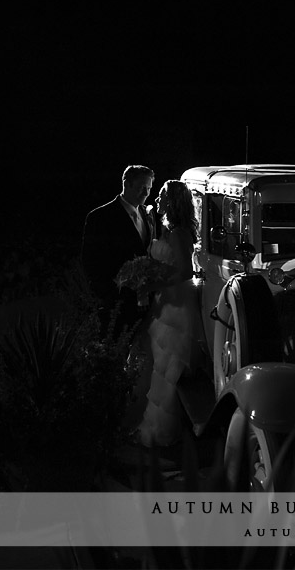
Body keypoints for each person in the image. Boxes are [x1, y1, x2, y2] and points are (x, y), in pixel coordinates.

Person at [135, 180, 212, 447]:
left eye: (162, 197)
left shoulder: (180, 234)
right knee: (161, 366)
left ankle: (167, 434)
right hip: (166, 301)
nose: (157, 201)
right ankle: (159, 428)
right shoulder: (169, 229)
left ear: (172, 202)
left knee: (170, 367)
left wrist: (154, 283)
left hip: (177, 305)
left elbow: (184, 272)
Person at [81, 165, 156, 339]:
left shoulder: (147, 214)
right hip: (117, 303)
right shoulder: (100, 217)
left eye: (149, 188)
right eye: (141, 188)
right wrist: (111, 297)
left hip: (148, 302)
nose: (146, 193)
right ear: (126, 184)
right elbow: (91, 263)